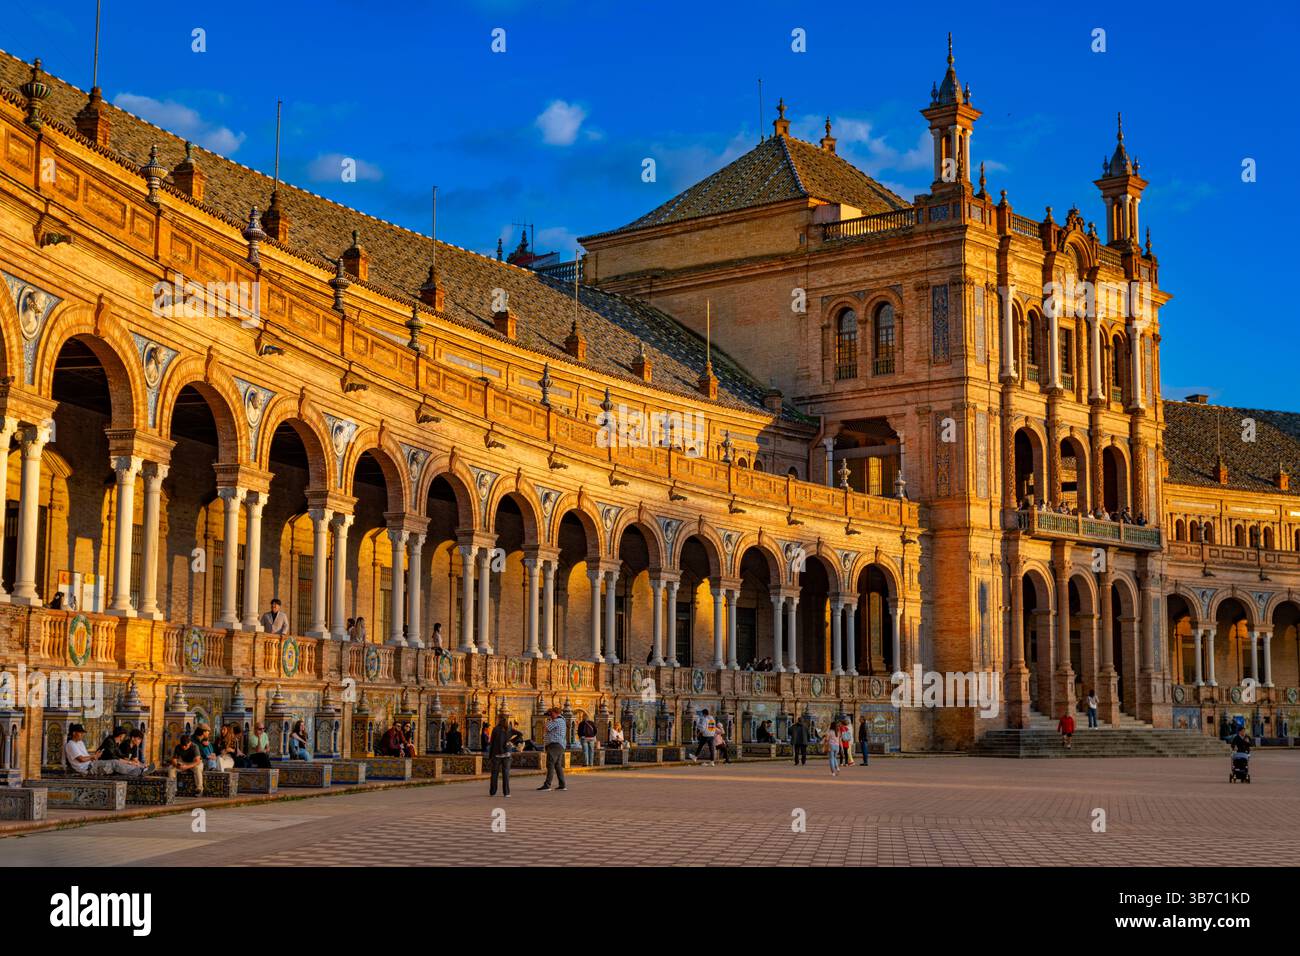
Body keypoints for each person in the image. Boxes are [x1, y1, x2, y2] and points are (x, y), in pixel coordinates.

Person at [65, 724, 147, 777]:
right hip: (87, 768)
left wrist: (95, 756)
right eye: (80, 733)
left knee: (116, 763)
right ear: (74, 733)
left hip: (92, 764)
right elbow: (81, 759)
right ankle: (138, 771)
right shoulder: (70, 744)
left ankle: (139, 769)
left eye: (83, 733)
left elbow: (87, 757)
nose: (82, 735)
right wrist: (93, 756)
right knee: (114, 763)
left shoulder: (80, 743)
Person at [487, 713, 523, 797]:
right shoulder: (509, 728)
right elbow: (520, 734)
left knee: (494, 774)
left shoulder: (495, 729)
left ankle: (493, 792)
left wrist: (490, 756)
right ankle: (506, 793)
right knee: (506, 774)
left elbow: (491, 743)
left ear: (499, 719)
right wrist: (511, 742)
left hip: (497, 754)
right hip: (507, 754)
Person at [537, 707, 567, 791]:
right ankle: (562, 785)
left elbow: (545, 728)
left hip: (554, 745)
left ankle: (547, 785)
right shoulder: (562, 720)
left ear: (556, 713)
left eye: (551, 713)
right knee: (558, 765)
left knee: (550, 764)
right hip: (560, 745)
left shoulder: (556, 721)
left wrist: (547, 720)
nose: (551, 715)